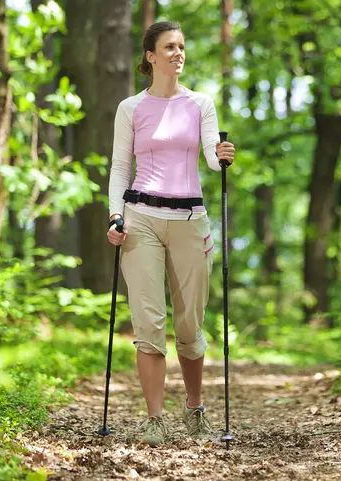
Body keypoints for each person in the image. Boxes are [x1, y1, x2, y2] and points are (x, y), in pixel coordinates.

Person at [106, 20, 235, 447]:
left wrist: (221, 155)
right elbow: (120, 169)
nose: (178, 53)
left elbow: (213, 159)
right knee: (149, 322)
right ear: (150, 56)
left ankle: (195, 410)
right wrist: (114, 217)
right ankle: (155, 419)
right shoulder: (131, 108)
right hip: (140, 217)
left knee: (189, 325)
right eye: (169, 47)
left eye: (182, 46)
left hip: (189, 219)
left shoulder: (200, 103)